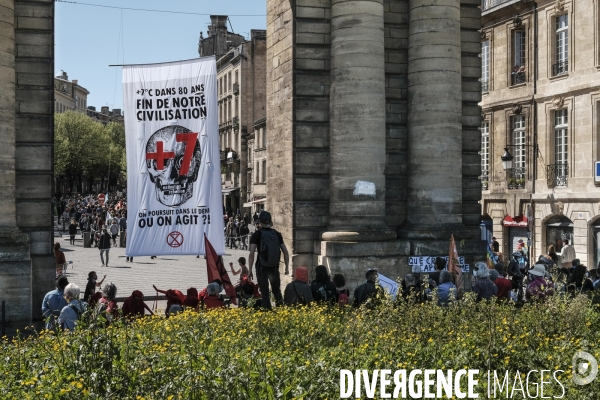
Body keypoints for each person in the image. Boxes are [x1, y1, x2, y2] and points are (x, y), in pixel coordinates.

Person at [248, 211, 290, 309]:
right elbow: (286, 252)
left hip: (261, 266)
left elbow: (251, 254)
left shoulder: (257, 234)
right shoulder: (277, 234)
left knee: (264, 291)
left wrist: (250, 270)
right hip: (274, 267)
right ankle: (281, 310)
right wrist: (287, 268)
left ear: (260, 222)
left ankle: (267, 311)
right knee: (276, 290)